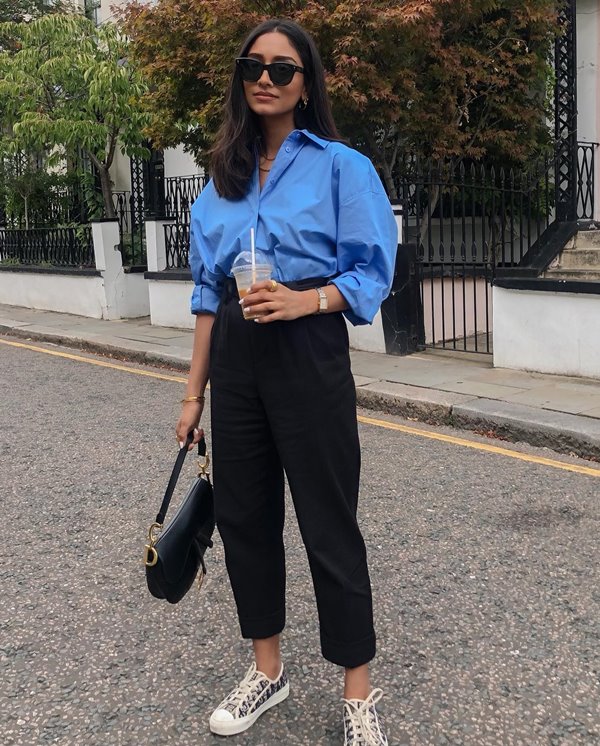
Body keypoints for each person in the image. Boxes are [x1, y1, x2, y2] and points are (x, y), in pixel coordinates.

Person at [175, 17, 397, 746]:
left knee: (329, 521)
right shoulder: (221, 180)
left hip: (308, 345)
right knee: (243, 521)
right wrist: (192, 394)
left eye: (283, 68)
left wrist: (308, 299)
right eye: (253, 67)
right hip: (237, 358)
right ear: (241, 80)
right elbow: (208, 295)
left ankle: (359, 694)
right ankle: (267, 672)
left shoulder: (341, 166)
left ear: (306, 85)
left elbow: (372, 272)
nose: (266, 78)